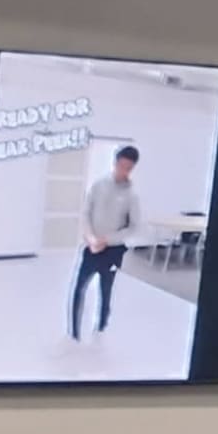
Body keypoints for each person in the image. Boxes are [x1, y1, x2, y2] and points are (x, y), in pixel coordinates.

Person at [71, 144, 143, 339]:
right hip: (90, 247)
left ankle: (101, 328)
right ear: (115, 162)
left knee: (106, 290)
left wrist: (107, 240)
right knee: (78, 289)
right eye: (120, 165)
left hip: (113, 252)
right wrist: (91, 238)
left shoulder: (132, 195)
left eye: (128, 167)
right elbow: (86, 213)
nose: (123, 170)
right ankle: (74, 334)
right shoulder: (98, 185)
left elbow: (134, 227)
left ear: (132, 168)